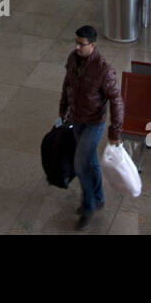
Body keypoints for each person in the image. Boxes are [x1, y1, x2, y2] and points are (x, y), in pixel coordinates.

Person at [58, 25, 123, 229]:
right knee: (91, 161)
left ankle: (88, 206)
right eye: (75, 42)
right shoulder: (73, 59)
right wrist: (63, 109)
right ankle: (98, 197)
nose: (77, 47)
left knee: (80, 163)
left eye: (81, 44)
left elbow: (116, 100)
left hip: (94, 122)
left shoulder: (103, 69)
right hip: (77, 118)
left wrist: (115, 131)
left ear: (92, 45)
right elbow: (67, 83)